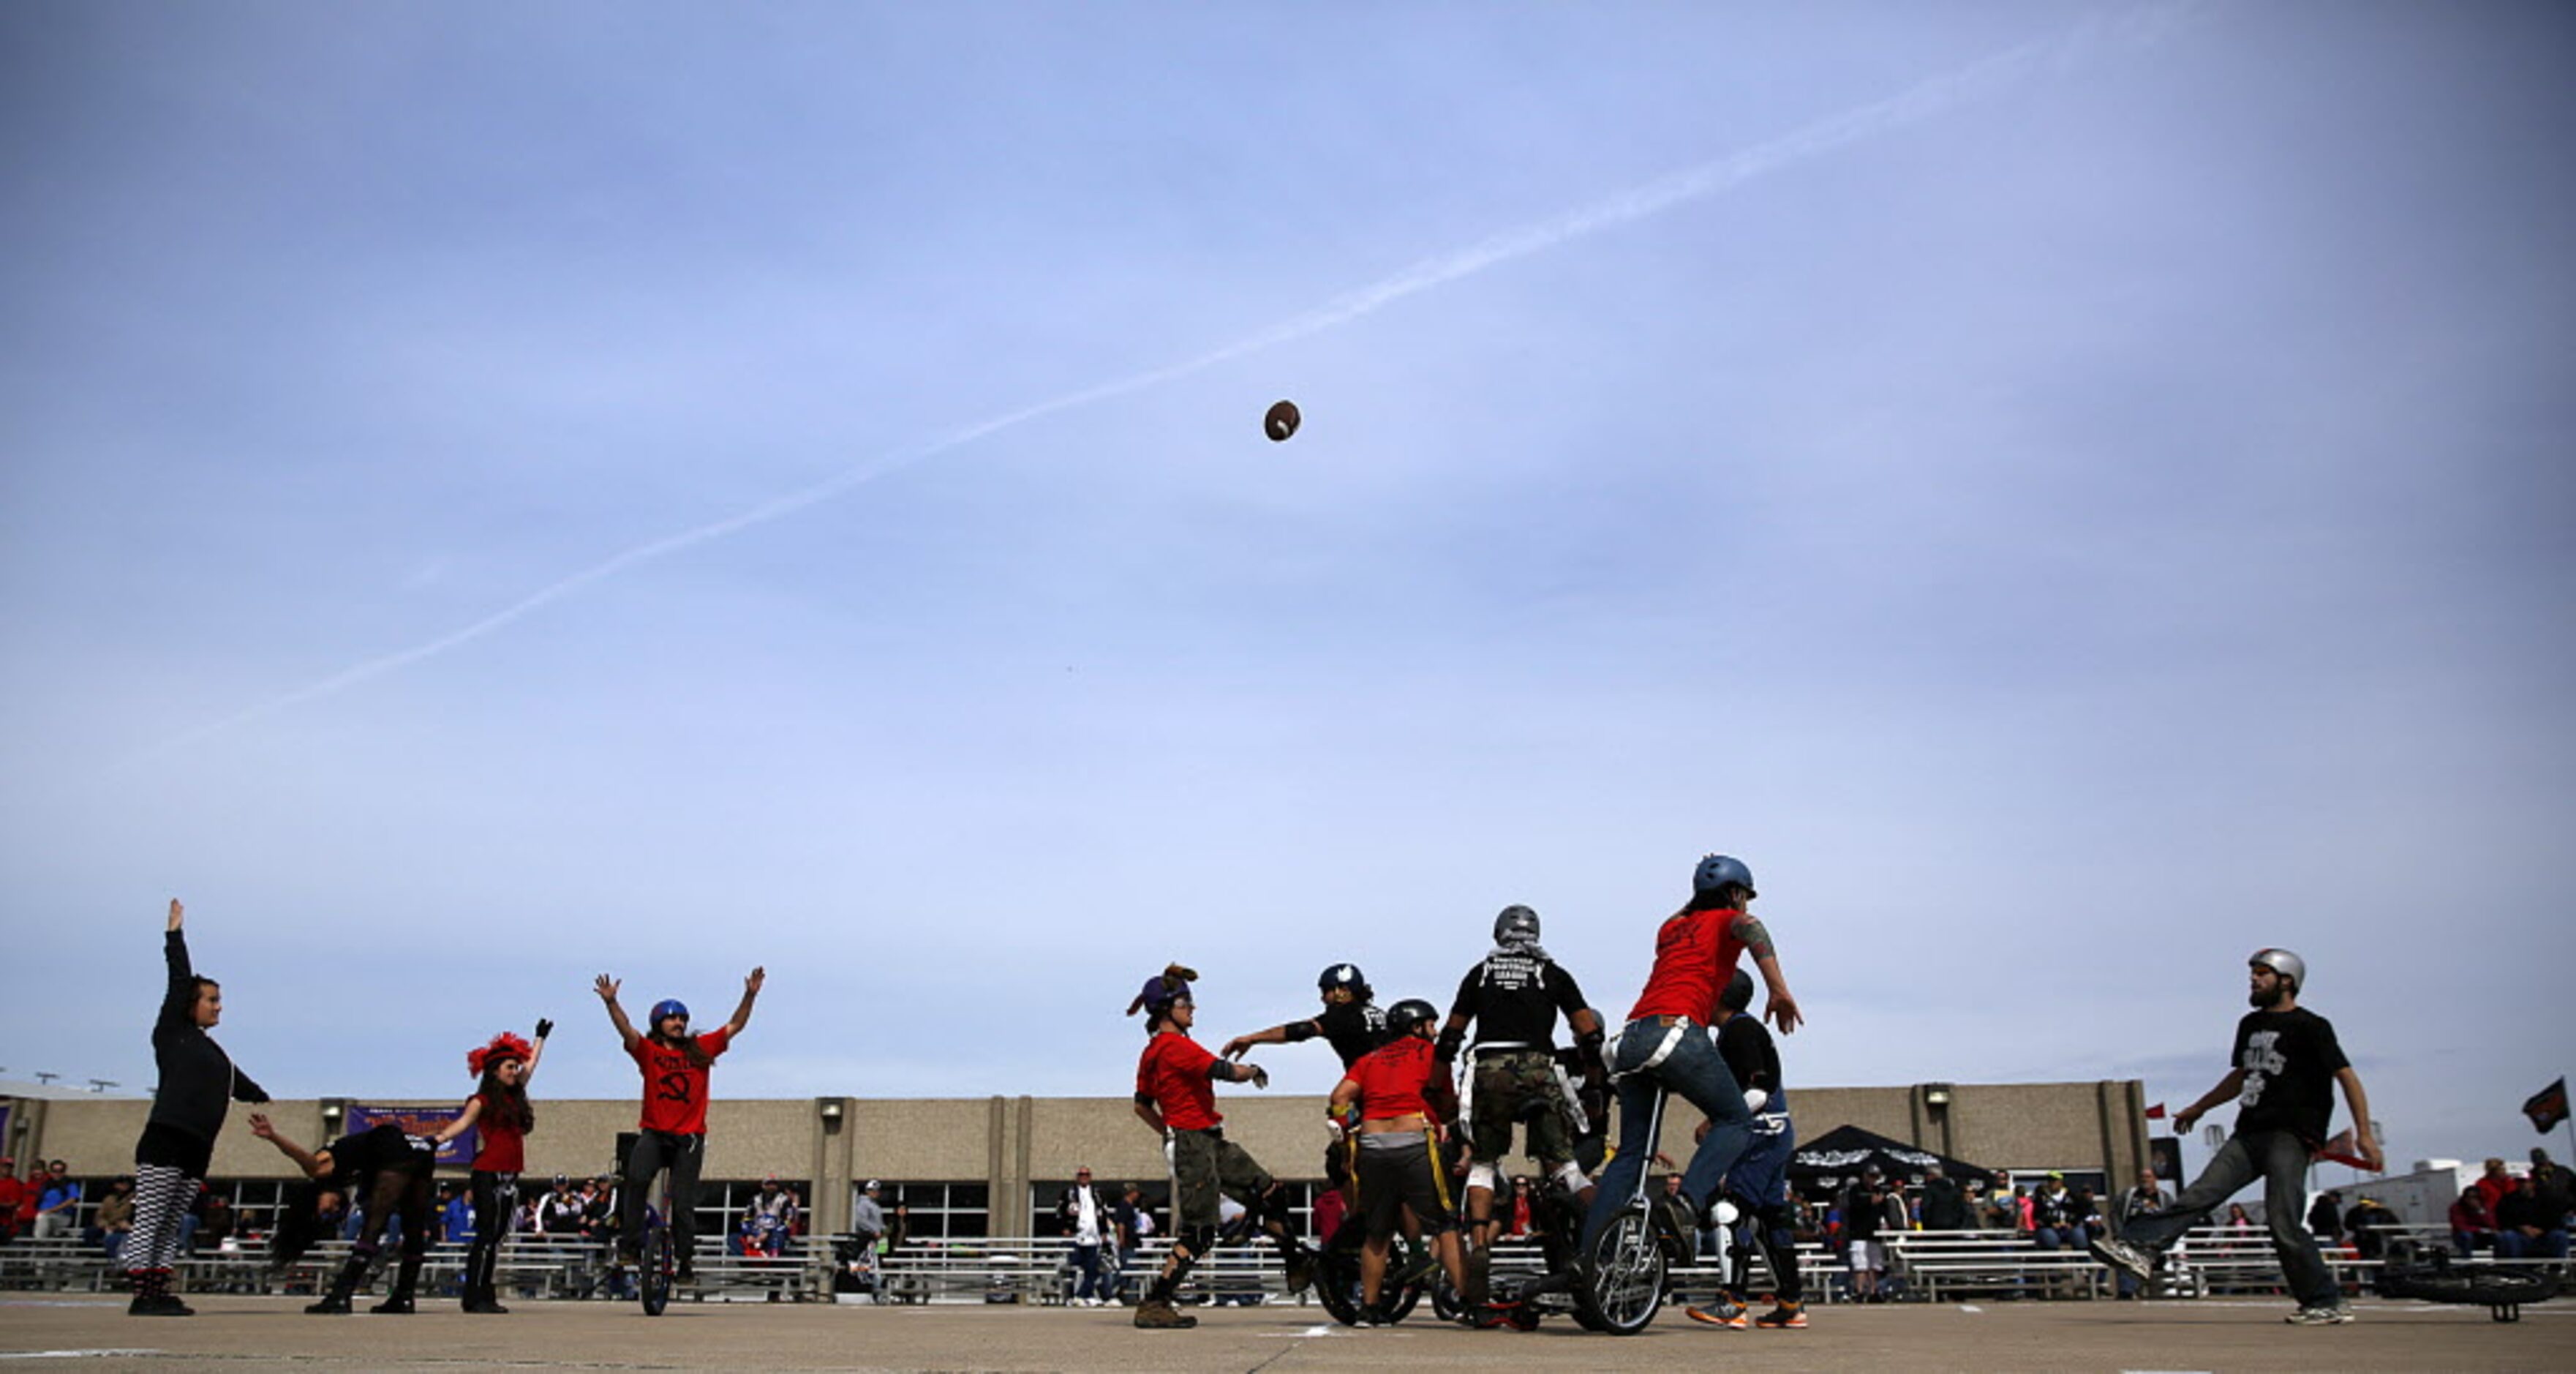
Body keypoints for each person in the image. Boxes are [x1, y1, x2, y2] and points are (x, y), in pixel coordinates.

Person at [2088, 947, 2382, 1326]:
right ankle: (2138, 1247)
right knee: (2199, 1193)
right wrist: (2200, 1107)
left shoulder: (2313, 1027)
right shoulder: (2249, 1025)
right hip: (2249, 1132)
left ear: (2286, 981)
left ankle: (2324, 1300)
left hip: (2290, 1134)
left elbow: (2347, 1078)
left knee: (2283, 1220)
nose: (2254, 980)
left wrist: (2364, 1134)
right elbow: (2241, 1075)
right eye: (2253, 974)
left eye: (2263, 974)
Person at [1575, 854, 1804, 1269]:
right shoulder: (1726, 920)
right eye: (1744, 897)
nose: (1746, 906)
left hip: (1630, 1041)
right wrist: (1778, 988)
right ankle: (1684, 1204)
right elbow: (1752, 928)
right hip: (1675, 1030)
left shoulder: (1671, 929)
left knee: (1632, 1155)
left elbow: (1689, 910)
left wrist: (1702, 889)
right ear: (1735, 893)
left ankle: (1591, 1259)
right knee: (1735, 1121)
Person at [1432, 904, 1605, 1311]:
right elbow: (1589, 1036)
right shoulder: (1554, 973)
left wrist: (1435, 1083)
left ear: (1498, 933)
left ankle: (1478, 1243)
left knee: (1485, 1163)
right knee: (1566, 1167)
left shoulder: (1480, 973)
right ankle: (1606, 1238)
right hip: (1539, 1069)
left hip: (1490, 1068)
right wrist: (1594, 1086)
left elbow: (1451, 1036)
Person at [1128, 972, 1316, 1329]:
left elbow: (1141, 1105)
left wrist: (1168, 1131)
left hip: (1207, 1139)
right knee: (1200, 1232)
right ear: (1167, 1010)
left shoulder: (1151, 1051)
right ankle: (1155, 1302)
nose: (1193, 1009)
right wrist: (1255, 1069)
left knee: (1270, 1191)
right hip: (1195, 1142)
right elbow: (1225, 1071)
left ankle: (1294, 1262)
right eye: (1185, 1003)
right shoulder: (1175, 1046)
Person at [125, 899, 270, 1316]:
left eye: (220, 999)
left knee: (172, 1221)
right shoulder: (173, 1032)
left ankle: (159, 1287)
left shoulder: (213, 1052)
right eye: (212, 999)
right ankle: (142, 1294)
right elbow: (178, 981)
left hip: (197, 1143)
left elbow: (236, 1081)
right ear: (192, 1004)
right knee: (152, 1216)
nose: (219, 1006)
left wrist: (259, 1094)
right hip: (167, 1136)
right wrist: (175, 936)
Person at [596, 966, 764, 1283]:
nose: (679, 1023)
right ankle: (630, 1245)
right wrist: (611, 1003)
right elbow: (626, 1031)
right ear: (659, 1024)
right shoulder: (649, 1052)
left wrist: (749, 995)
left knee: (684, 1202)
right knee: (635, 1180)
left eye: (682, 1019)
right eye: (672, 1019)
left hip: (689, 1138)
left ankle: (685, 1261)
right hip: (655, 1133)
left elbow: (735, 1026)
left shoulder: (699, 1049)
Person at [1327, 996, 1467, 1324]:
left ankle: (1370, 1307)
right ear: (1417, 1026)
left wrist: (1347, 1134)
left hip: (1372, 1144)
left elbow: (1339, 1098)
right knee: (1445, 1224)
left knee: (1377, 1233)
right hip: (1414, 1138)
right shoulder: (1430, 1054)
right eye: (1430, 1025)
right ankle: (1468, 1301)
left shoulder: (1370, 1058)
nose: (1434, 1032)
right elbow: (1445, 1101)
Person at [1686, 966, 1807, 1330]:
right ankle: (1791, 1301)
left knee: (1733, 1211)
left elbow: (1759, 1090)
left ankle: (1733, 1300)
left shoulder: (1740, 1030)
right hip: (1775, 1133)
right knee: (1772, 1219)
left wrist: (1717, 1121)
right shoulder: (1738, 1030)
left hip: (1760, 1135)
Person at [252, 1114, 439, 1314]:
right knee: (413, 1227)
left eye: (325, 1209)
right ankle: (404, 1297)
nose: (333, 1209)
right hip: (420, 1153)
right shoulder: (349, 1176)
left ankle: (340, 1296)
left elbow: (308, 1161)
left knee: (374, 1226)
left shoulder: (322, 1172)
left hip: (392, 1144)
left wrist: (273, 1136)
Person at [432, 1023, 547, 1313]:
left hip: (510, 1174)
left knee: (497, 1237)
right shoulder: (481, 1100)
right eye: (509, 1067)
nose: (515, 1071)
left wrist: (540, 1039)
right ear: (495, 1070)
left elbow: (531, 1064)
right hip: (488, 1172)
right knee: (486, 1235)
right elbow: (462, 1123)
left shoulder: (516, 1095)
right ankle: (475, 1294)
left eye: (515, 1066)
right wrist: (439, 1139)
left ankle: (485, 1292)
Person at [1057, 1168, 1112, 1307]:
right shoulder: (1069, 1193)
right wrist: (1065, 1228)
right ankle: (1077, 1295)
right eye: (1081, 1175)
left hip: (1093, 1238)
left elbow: (1103, 1213)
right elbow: (1060, 1212)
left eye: (1086, 1175)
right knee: (1074, 1267)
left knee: (1092, 1269)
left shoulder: (1097, 1193)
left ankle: (1083, 1295)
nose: (1084, 1177)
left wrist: (1104, 1232)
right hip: (1076, 1237)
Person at [2114, 1169, 2172, 1297]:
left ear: (2155, 1179)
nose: (2145, 1179)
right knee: (2125, 1259)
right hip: (2131, 1236)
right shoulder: (2129, 1195)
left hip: (2155, 1238)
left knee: (2156, 1261)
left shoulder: (2164, 1198)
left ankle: (2156, 1291)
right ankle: (2126, 1293)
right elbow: (2116, 1214)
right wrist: (2119, 1234)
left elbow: (2172, 1218)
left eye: (2148, 1177)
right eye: (2142, 1177)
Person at [2496, 1173, 2571, 1261]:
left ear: (2533, 1183)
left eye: (2525, 1182)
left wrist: (2542, 1230)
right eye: (2519, 1182)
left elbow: (2556, 1219)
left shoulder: (2547, 1199)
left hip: (2544, 1236)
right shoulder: (2508, 1200)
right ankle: (2515, 1268)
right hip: (2519, 1236)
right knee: (2508, 1236)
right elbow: (2503, 1220)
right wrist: (2521, 1227)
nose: (2522, 1185)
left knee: (2560, 1235)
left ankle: (2556, 1269)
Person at [91, 1176, 137, 1259]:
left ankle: (114, 1261)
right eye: (120, 1184)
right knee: (90, 1232)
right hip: (108, 1225)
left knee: (113, 1239)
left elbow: (130, 1215)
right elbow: (100, 1215)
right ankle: (94, 1257)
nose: (123, 1186)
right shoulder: (109, 1199)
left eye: (126, 1184)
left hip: (124, 1227)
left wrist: (124, 1225)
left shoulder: (134, 1199)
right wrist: (105, 1225)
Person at [33, 1162, 80, 1240]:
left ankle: (40, 1244)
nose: (57, 1173)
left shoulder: (69, 1183)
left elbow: (72, 1200)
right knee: (41, 1218)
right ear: (51, 1172)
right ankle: (42, 1244)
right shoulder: (46, 1184)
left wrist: (52, 1210)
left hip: (62, 1216)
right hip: (44, 1216)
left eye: (61, 1171)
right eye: (55, 1171)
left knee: (42, 1217)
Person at [1920, 1164, 1970, 1232]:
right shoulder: (1954, 1190)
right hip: (1953, 1228)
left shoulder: (1929, 1190)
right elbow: (1962, 1209)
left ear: (1932, 1175)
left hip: (1933, 1228)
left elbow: (1925, 1208)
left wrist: (1926, 1224)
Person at [0, 1158, 26, 1246]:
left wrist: (2, 1205)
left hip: (5, 1222)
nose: (7, 1169)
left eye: (9, 1167)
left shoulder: (14, 1183)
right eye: (4, 1166)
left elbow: (15, 1203)